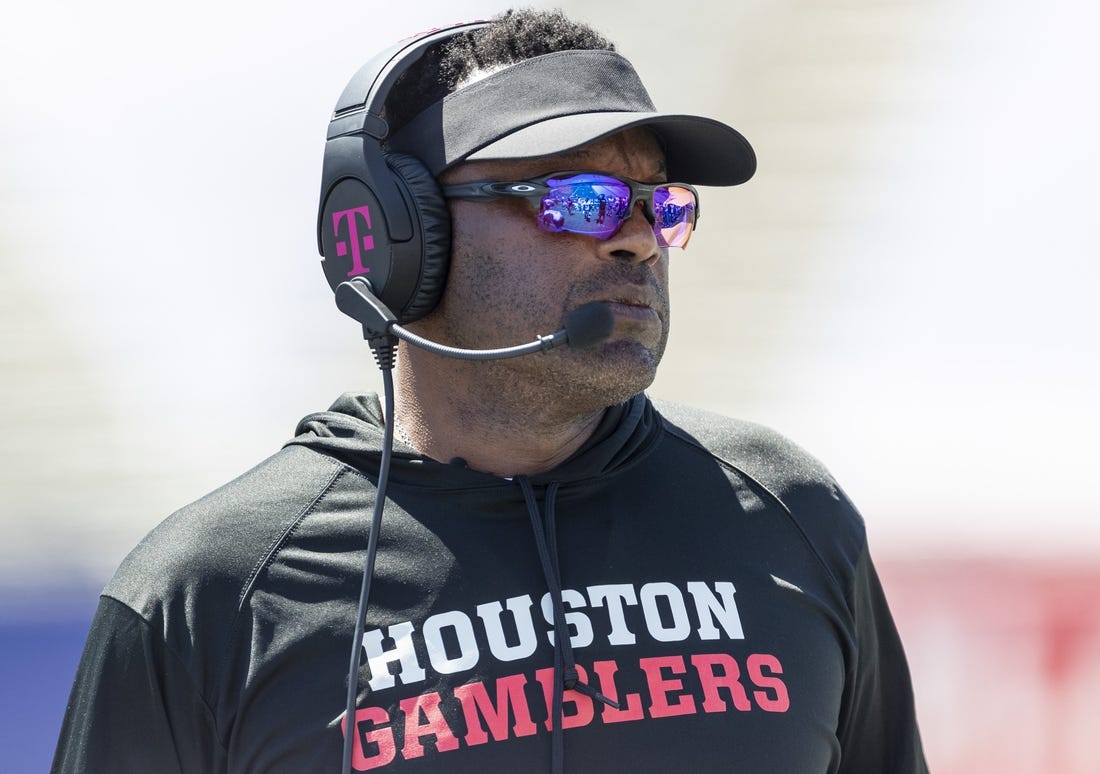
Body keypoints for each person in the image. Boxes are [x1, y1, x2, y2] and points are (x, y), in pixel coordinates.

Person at [52, 9, 928, 774]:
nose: (637, 243)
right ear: (405, 236)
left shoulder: (790, 515)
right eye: (581, 201)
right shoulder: (209, 593)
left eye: (659, 206)